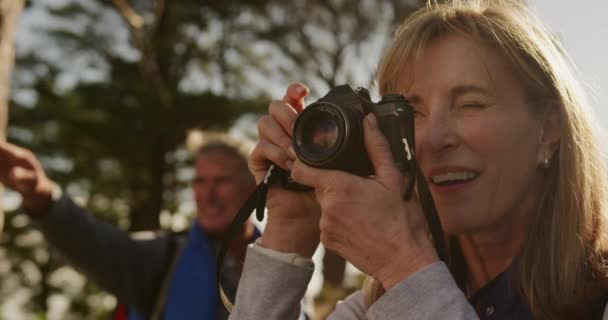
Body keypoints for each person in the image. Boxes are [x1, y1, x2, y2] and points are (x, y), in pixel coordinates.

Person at [228, 0, 608, 319]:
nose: (433, 138)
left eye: (470, 104)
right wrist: (289, 234)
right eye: (411, 112)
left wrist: (402, 265)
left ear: (550, 129)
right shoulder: (375, 306)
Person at [0, 133, 258, 320]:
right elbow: (91, 242)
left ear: (253, 188)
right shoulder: (162, 257)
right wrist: (39, 193)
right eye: (200, 182)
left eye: (221, 181)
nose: (207, 195)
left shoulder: (288, 265)